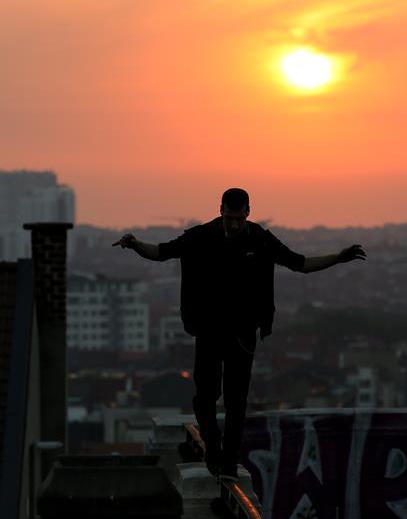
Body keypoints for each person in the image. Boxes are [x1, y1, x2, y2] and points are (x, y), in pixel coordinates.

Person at [113, 188, 366, 479]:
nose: (233, 224)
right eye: (229, 217)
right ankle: (214, 450)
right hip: (208, 328)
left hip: (242, 332)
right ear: (220, 210)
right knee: (206, 395)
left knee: (236, 399)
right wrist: (133, 244)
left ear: (248, 212)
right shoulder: (201, 236)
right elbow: (161, 253)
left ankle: (229, 460)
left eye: (238, 218)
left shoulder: (259, 238)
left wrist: (339, 257)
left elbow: (300, 264)